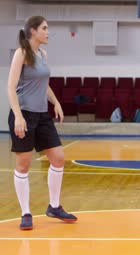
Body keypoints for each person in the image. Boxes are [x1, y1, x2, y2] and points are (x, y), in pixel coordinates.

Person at [7, 16, 77, 230]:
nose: (48, 32)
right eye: (45, 28)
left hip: (42, 115)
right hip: (24, 114)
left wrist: (56, 102)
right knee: (24, 164)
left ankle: (54, 206)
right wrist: (18, 116)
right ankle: (26, 212)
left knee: (58, 157)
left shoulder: (43, 54)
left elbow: (43, 85)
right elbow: (10, 88)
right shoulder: (21, 54)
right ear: (33, 31)